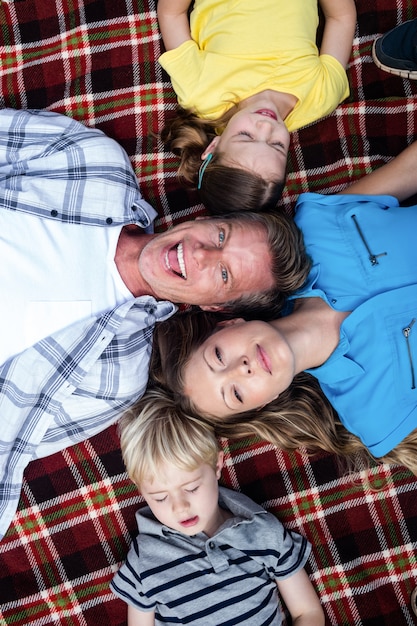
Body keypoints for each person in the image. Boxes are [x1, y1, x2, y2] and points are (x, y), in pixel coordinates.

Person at [0, 107, 310, 541]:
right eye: (220, 236)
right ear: (204, 218)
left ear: (219, 309)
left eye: (223, 276)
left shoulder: (116, 375)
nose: (199, 254)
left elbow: (9, 446)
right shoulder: (93, 164)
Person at [142, 139, 417, 476]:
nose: (240, 368)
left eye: (218, 357)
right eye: (237, 394)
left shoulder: (314, 230)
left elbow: (409, 170)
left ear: (229, 324)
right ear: (264, 403)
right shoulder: (377, 415)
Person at [110, 392, 324, 625]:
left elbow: (307, 612)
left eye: (191, 488)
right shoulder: (145, 558)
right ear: (141, 490)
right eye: (160, 497)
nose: (180, 507)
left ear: (217, 466)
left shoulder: (262, 532)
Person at [157, 0, 356, 214]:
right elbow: (340, 18)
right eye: (277, 145)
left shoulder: (200, 93)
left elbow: (172, 15)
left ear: (213, 147)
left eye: (246, 135)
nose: (265, 126)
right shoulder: (321, 96)